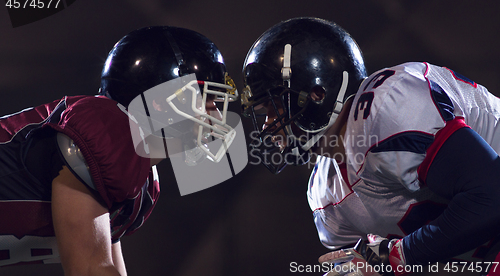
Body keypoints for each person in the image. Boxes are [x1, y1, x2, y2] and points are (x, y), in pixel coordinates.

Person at [241, 17, 500, 275]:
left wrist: (394, 257)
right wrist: (369, 264)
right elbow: (370, 263)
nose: (267, 125)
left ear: (316, 95)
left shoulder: (386, 106)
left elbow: (491, 196)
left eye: (273, 108)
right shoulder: (324, 191)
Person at [0, 26, 239, 275]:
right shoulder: (107, 131)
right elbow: (90, 270)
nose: (217, 114)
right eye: (205, 98)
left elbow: (107, 267)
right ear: (158, 100)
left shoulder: (140, 177)